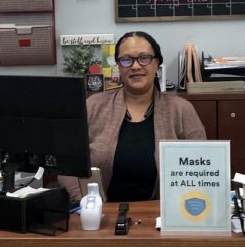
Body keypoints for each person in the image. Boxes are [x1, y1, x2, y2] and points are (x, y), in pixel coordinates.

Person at [62, 31, 206, 203]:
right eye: (126, 59)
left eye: (144, 58)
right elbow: (66, 163)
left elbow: (201, 169)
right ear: (118, 66)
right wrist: (86, 205)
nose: (135, 66)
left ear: (157, 63)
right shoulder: (93, 106)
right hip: (98, 215)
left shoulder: (181, 110)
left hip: (164, 215)